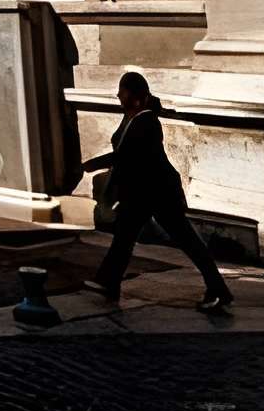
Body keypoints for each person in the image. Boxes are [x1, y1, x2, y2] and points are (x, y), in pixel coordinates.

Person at [89, 72, 233, 313]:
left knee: (187, 242)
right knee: (124, 238)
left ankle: (218, 289)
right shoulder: (133, 118)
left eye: (122, 91)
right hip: (142, 194)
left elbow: (128, 155)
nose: (117, 95)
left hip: (158, 194)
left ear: (134, 96)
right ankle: (108, 282)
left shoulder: (147, 122)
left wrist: (93, 164)